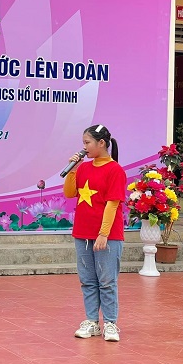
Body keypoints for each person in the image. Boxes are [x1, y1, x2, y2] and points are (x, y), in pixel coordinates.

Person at [63, 124, 126, 342]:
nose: (84, 147)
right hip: (83, 231)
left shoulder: (115, 170)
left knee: (107, 280)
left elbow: (112, 204)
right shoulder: (83, 168)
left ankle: (110, 323)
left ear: (101, 143)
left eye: (87, 143)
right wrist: (73, 169)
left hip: (107, 235)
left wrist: (103, 233)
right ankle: (91, 321)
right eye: (83, 143)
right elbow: (70, 193)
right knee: (88, 280)